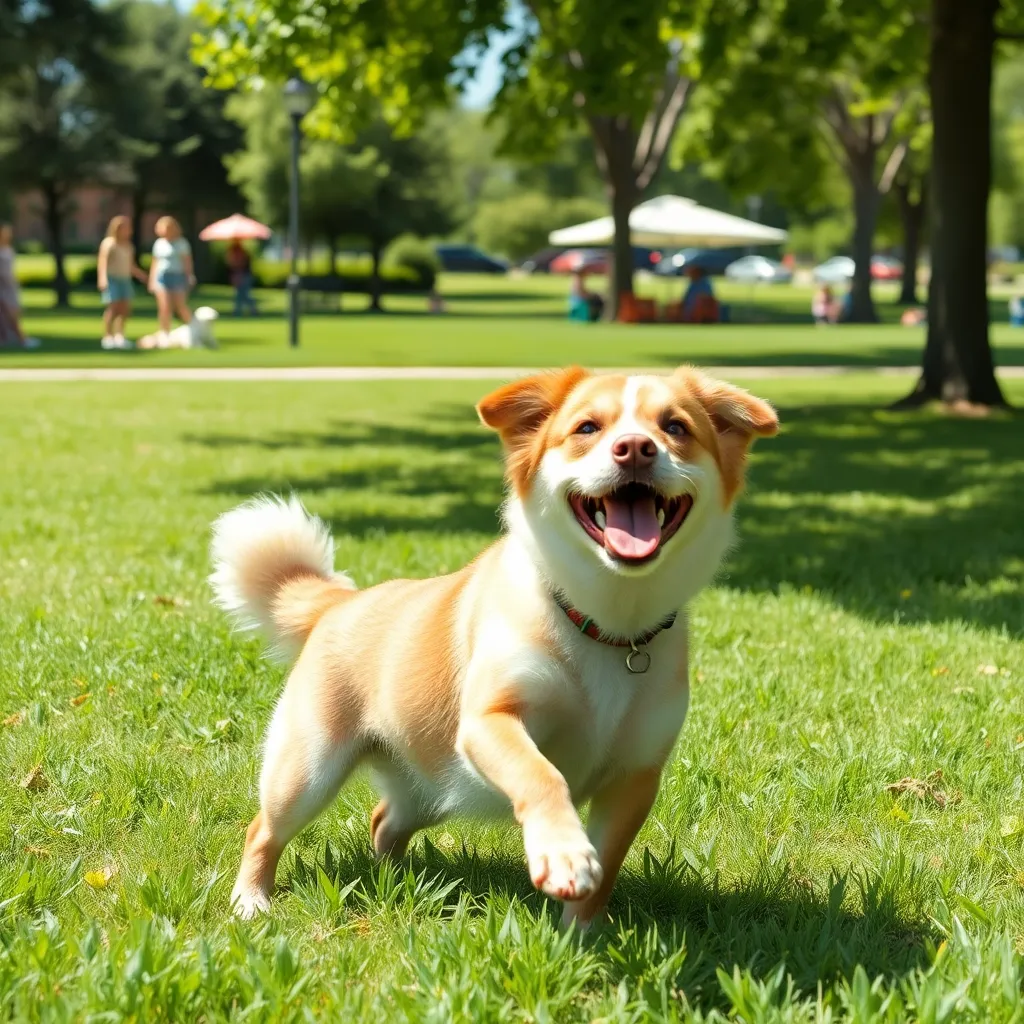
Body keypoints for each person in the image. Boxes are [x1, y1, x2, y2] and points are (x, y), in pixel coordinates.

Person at [97, 216, 147, 349]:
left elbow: (130, 265)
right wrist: (102, 279)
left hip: (125, 279)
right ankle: (107, 337)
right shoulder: (109, 243)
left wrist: (141, 275)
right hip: (112, 279)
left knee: (125, 309)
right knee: (112, 308)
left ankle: (119, 336)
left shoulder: (128, 245)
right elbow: (103, 263)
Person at [149, 215, 194, 343]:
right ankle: (164, 332)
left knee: (180, 306)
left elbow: (187, 262)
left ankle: (193, 328)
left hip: (177, 276)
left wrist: (189, 276)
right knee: (164, 307)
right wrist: (152, 280)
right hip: (162, 277)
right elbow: (155, 263)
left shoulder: (182, 243)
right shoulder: (159, 243)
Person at [0, 224, 40, 349]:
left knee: (11, 312)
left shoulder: (8, 248)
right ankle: (22, 339)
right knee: (9, 312)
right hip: (2, 285)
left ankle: (6, 338)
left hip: (10, 285)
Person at [225, 239, 256, 317]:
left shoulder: (241, 253)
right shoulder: (237, 252)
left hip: (243, 275)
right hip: (241, 275)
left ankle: (238, 311)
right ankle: (240, 311)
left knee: (242, 294)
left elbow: (240, 265)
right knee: (241, 294)